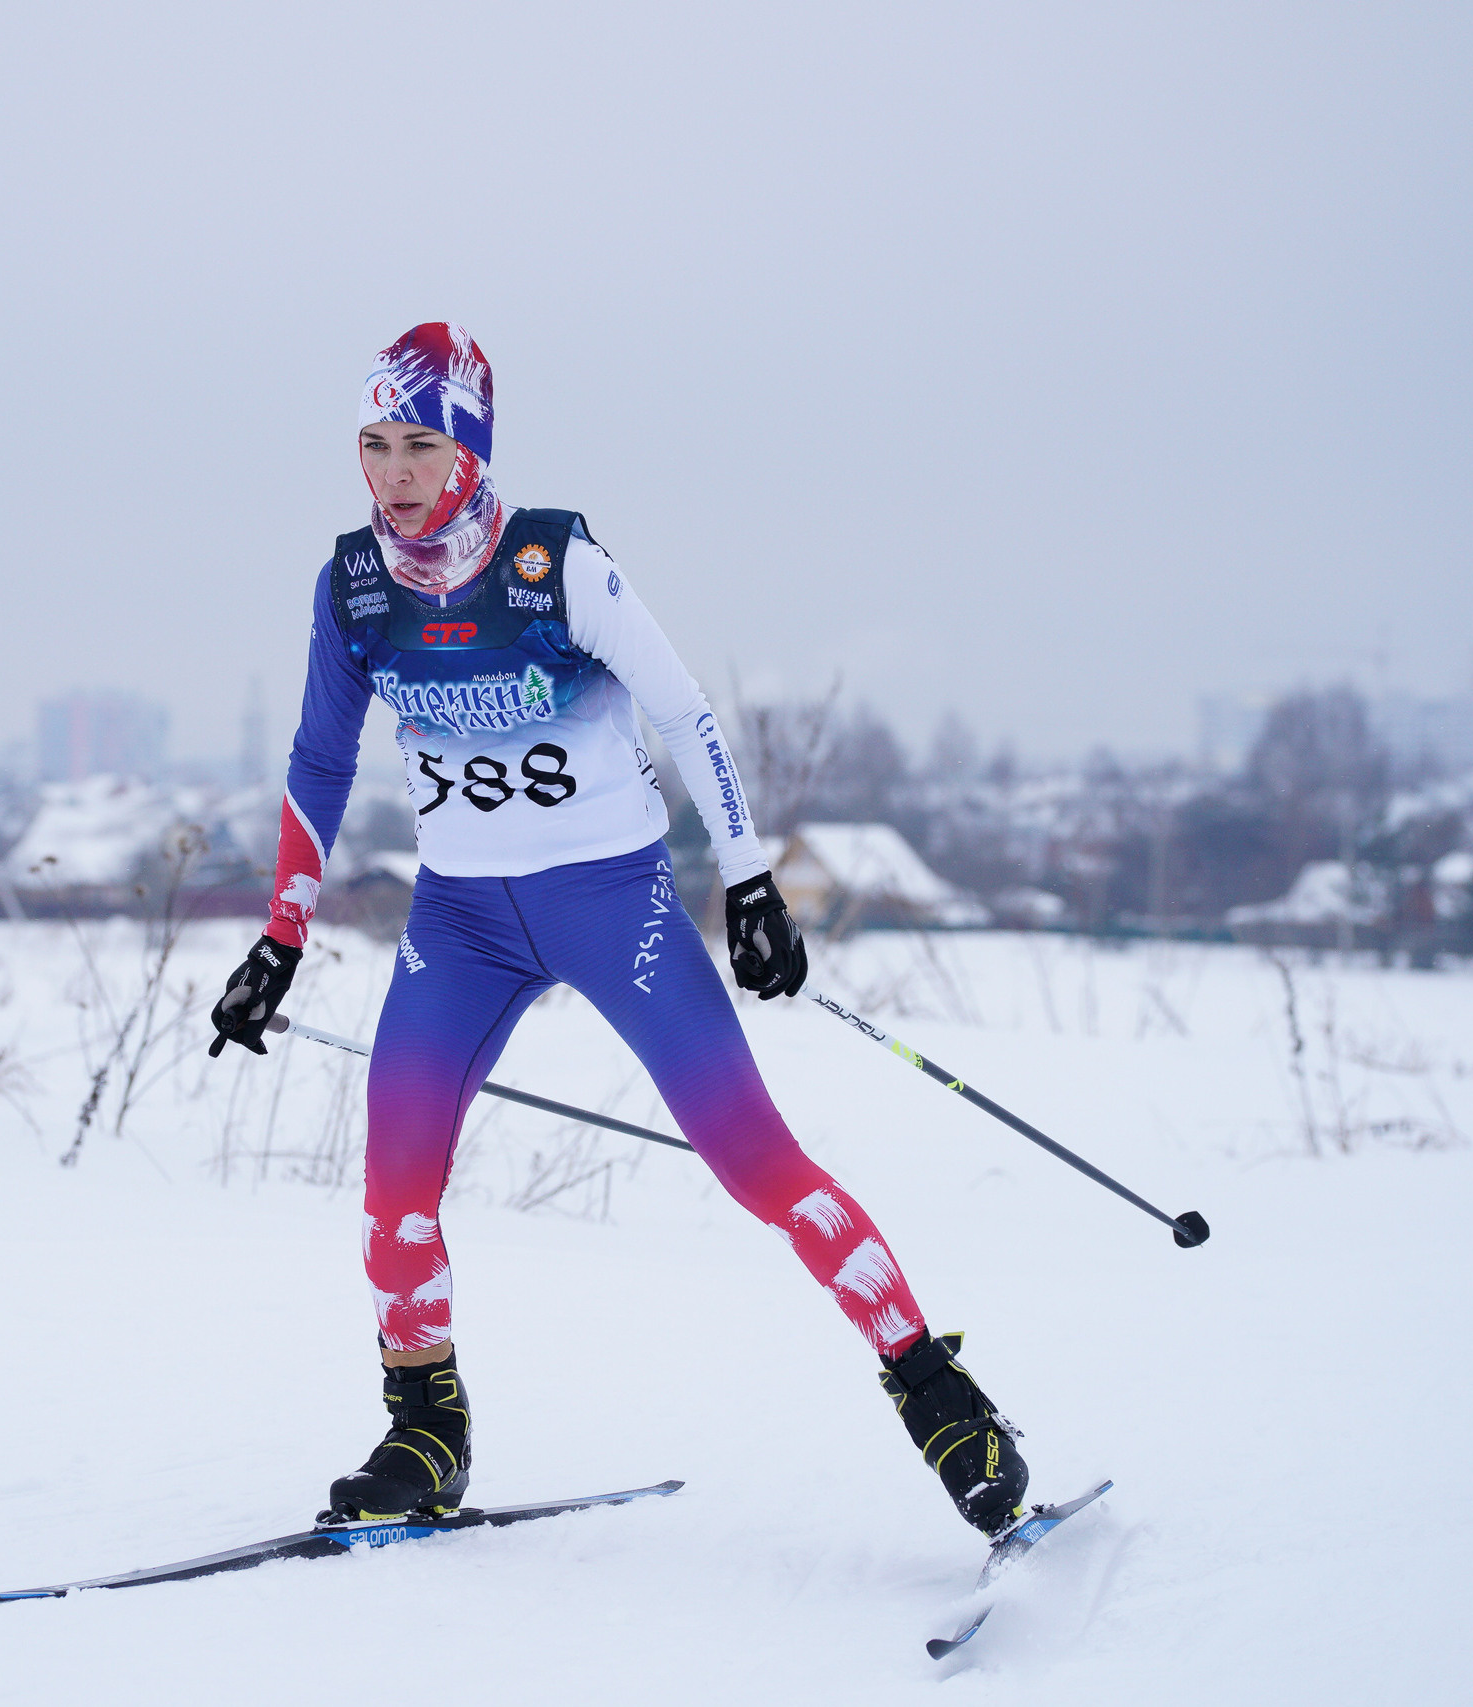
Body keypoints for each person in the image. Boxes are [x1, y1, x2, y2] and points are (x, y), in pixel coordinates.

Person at [209, 323, 1030, 1539]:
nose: (393, 473)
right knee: (394, 1184)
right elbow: (320, 758)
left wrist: (750, 882)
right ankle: (424, 1431)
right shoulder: (353, 587)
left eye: (420, 445)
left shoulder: (552, 565)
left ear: (470, 450)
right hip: (460, 920)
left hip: (614, 903)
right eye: (374, 446)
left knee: (756, 1162)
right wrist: (280, 938)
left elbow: (684, 710)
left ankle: (940, 1398)